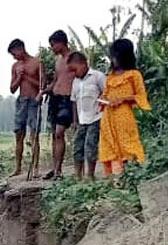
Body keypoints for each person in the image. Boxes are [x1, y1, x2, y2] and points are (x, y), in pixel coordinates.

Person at [99, 38, 151, 179]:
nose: (114, 59)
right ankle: (117, 181)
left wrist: (123, 99)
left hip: (124, 117)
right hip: (108, 118)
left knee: (128, 145)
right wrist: (103, 101)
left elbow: (141, 96)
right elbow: (105, 94)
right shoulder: (110, 76)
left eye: (116, 56)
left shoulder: (134, 75)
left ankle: (134, 175)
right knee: (111, 146)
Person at [8, 39, 44, 178]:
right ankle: (18, 167)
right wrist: (19, 77)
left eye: (14, 53)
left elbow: (42, 86)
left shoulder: (37, 63)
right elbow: (12, 88)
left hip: (34, 101)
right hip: (21, 101)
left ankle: (35, 168)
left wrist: (27, 77)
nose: (14, 57)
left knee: (34, 135)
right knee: (19, 135)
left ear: (20, 49)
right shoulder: (15, 66)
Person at [67, 52, 106, 180]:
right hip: (81, 119)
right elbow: (74, 102)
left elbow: (107, 93)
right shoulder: (75, 82)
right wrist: (74, 121)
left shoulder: (97, 77)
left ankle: (90, 175)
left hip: (95, 117)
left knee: (90, 146)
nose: (74, 73)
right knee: (77, 147)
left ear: (83, 64)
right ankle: (78, 175)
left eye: (74, 69)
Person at [43, 30, 75, 180]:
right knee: (54, 134)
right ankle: (54, 168)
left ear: (61, 43)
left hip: (67, 99)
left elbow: (80, 78)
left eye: (53, 45)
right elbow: (56, 80)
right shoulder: (58, 60)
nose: (52, 48)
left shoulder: (74, 58)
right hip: (55, 98)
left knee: (59, 132)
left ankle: (59, 170)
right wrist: (44, 90)